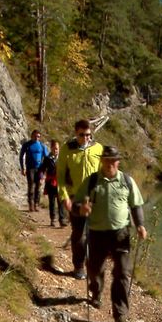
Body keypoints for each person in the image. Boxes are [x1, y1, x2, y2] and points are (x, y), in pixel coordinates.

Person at [72, 146, 147, 322]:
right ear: (101, 161)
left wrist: (140, 225)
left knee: (122, 273)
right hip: (97, 233)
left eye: (113, 160)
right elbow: (75, 205)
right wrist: (81, 209)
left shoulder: (127, 181)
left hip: (120, 233)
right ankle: (96, 292)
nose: (109, 164)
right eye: (106, 160)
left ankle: (120, 314)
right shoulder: (91, 182)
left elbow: (136, 205)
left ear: (118, 162)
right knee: (95, 269)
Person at [57, 119, 103, 280]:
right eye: (82, 135)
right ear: (76, 133)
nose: (86, 138)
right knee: (79, 234)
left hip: (95, 198)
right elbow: (60, 176)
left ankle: (95, 266)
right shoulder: (67, 149)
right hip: (75, 197)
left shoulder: (98, 149)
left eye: (88, 135)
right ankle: (78, 266)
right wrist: (64, 197)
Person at [38, 140, 67, 227]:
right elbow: (42, 169)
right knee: (52, 202)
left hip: (60, 183)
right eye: (54, 148)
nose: (55, 150)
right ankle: (52, 219)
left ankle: (62, 220)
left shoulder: (62, 158)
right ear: (51, 148)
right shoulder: (47, 159)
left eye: (57, 149)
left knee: (61, 201)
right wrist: (41, 178)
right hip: (50, 183)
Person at [19, 129, 48, 212]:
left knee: (38, 186)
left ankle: (36, 204)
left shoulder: (42, 146)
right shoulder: (27, 145)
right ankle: (31, 204)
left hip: (40, 169)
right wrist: (22, 168)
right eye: (35, 136)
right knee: (31, 185)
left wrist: (45, 171)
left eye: (38, 136)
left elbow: (47, 159)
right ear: (31, 136)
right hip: (30, 168)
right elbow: (21, 156)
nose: (36, 138)